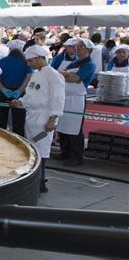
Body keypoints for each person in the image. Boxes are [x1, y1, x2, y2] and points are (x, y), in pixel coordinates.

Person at [10, 45, 64, 194]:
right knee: (33, 150)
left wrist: (52, 119)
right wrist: (20, 101)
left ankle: (40, 182)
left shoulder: (53, 75)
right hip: (32, 116)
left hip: (44, 117)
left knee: (42, 152)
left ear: (40, 58)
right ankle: (34, 181)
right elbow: (30, 95)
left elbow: (58, 99)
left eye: (31, 61)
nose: (29, 64)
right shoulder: (35, 75)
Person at [56, 38, 96, 167]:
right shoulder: (74, 63)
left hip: (76, 99)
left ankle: (76, 156)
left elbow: (75, 78)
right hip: (65, 97)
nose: (77, 48)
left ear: (88, 50)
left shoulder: (90, 65)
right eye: (77, 46)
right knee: (62, 126)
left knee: (74, 128)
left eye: (81, 46)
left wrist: (65, 75)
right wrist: (66, 74)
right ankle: (65, 151)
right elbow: (64, 75)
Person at [0, 48, 33, 136]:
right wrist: (20, 90)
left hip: (3, 91)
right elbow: (29, 77)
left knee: (0, 120)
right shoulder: (25, 62)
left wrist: (3, 89)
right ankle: (19, 141)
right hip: (19, 91)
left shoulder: (2, 61)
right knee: (19, 121)